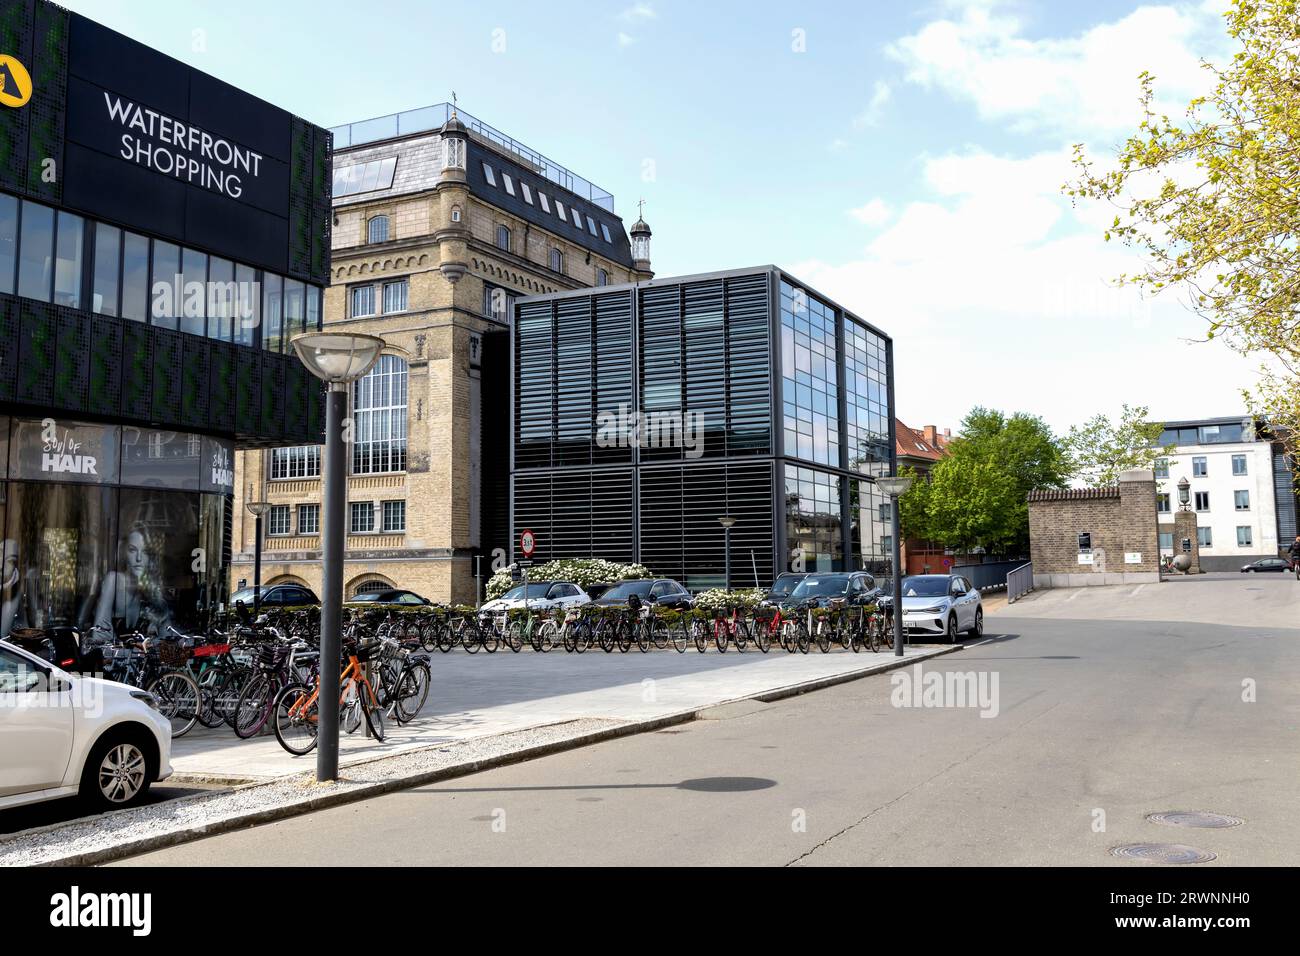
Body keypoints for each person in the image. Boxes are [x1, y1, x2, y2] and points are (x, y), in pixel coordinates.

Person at [91, 525, 170, 639]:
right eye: (132, 550)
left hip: (143, 655)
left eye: (145, 552)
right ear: (124, 554)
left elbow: (167, 636)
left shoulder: (153, 587)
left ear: (150, 557)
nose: (139, 558)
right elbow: (99, 633)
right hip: (114, 655)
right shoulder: (114, 580)